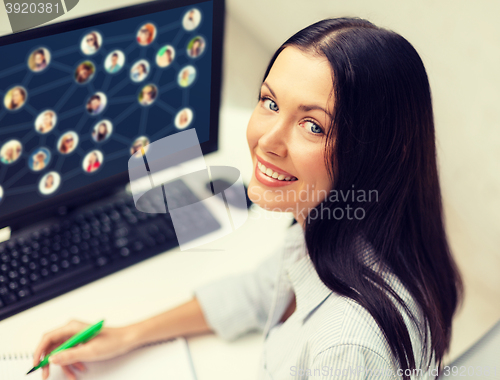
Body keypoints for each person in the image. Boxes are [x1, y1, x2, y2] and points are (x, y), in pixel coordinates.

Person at [32, 18, 463, 380]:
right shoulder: (338, 227)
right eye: (270, 102)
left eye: (313, 126)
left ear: (381, 150)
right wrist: (130, 334)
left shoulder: (346, 349)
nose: (267, 141)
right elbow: (260, 293)